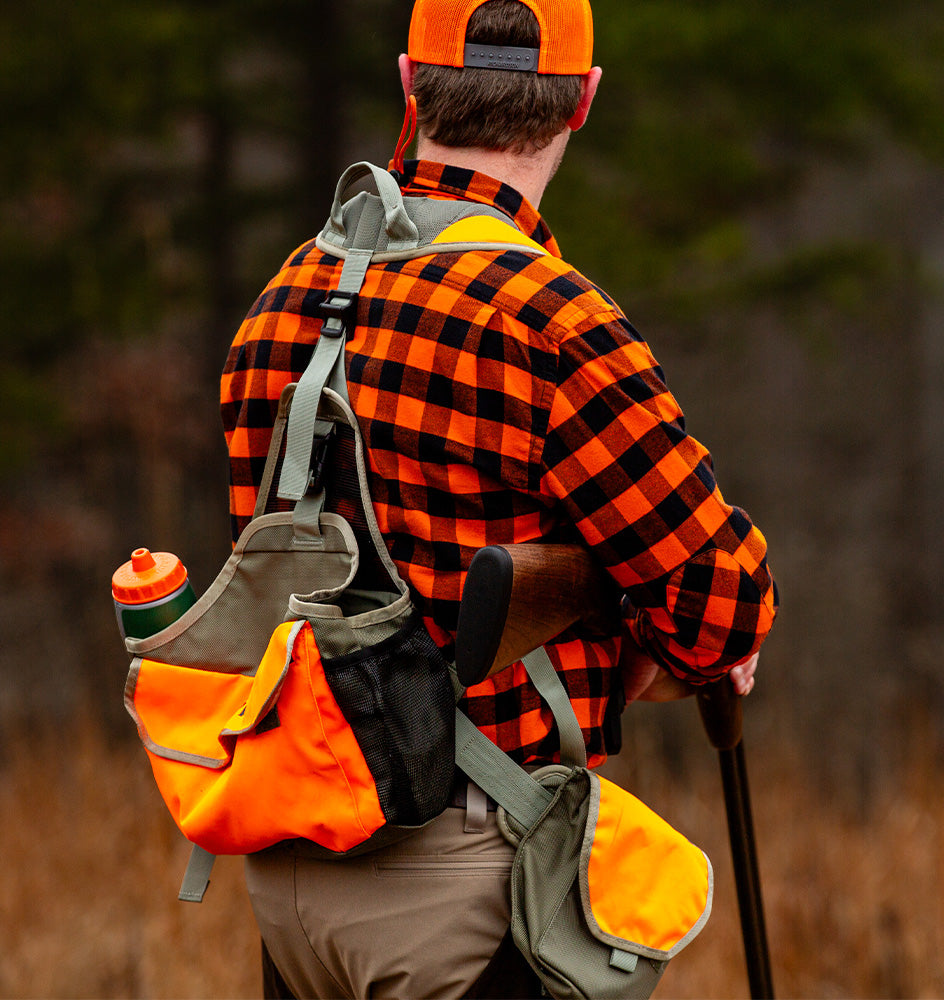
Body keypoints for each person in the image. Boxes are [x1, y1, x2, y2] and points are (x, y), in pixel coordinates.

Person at [220, 1, 778, 996]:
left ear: (408, 82)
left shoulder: (280, 305)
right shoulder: (553, 319)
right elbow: (718, 611)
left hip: (289, 879)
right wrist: (642, 644)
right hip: (462, 893)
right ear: (584, 100)